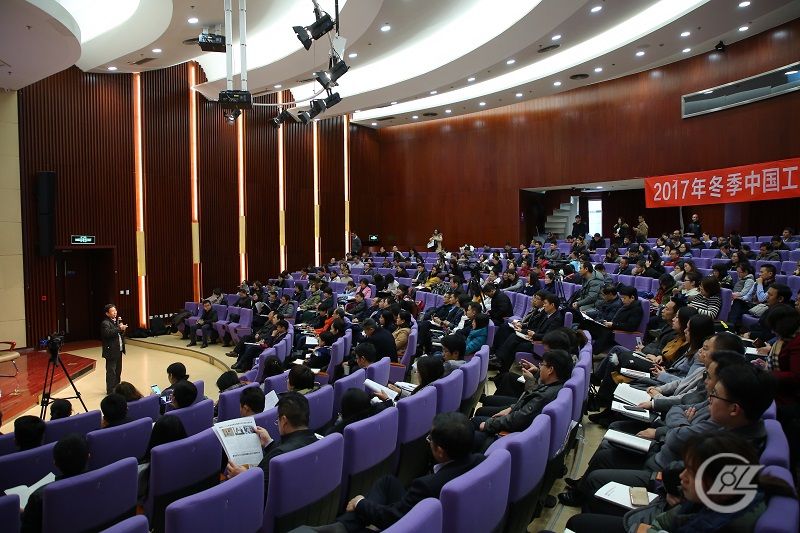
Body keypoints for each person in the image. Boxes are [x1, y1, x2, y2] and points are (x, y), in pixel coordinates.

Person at [565, 431, 797, 533]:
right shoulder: (723, 495)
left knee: (578, 522)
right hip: (655, 517)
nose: (682, 477)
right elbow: (667, 520)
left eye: (692, 472)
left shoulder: (723, 523)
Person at [328, 412, 484, 532]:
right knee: (388, 483)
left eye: (430, 439)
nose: (428, 441)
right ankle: (343, 526)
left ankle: (342, 527)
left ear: (440, 451)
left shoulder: (427, 486)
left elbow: (392, 518)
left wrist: (360, 503)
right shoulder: (479, 460)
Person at [471, 349, 573, 451]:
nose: (540, 367)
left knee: (476, 421)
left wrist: (488, 424)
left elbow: (518, 419)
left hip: (514, 435)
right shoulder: (558, 386)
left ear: (550, 370)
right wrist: (511, 408)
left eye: (542, 364)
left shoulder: (544, 396)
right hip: (519, 419)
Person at [226, 392, 318, 500]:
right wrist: (269, 443)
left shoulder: (279, 454)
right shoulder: (316, 440)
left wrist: (243, 476)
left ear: (284, 421)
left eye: (278, 419)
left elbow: (261, 490)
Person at [21, 434, 90, 533]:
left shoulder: (39, 498)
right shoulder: (103, 482)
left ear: (55, 463)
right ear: (89, 456)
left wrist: (26, 513)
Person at [100, 303, 127, 394]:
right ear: (107, 313)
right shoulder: (105, 323)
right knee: (111, 371)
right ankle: (110, 390)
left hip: (119, 349)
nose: (115, 312)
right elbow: (107, 334)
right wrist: (119, 328)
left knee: (118, 370)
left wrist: (122, 330)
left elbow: (119, 334)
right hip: (111, 351)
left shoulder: (117, 321)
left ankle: (117, 388)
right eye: (112, 311)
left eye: (115, 310)